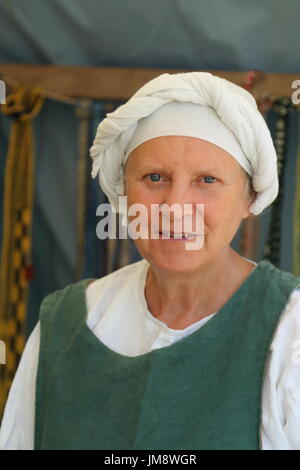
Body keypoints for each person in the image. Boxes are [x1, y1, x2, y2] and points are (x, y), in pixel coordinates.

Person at [1, 72, 300, 450]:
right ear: (124, 192)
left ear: (248, 199)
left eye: (207, 180)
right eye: (155, 177)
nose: (174, 208)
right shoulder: (65, 325)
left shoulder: (289, 333)